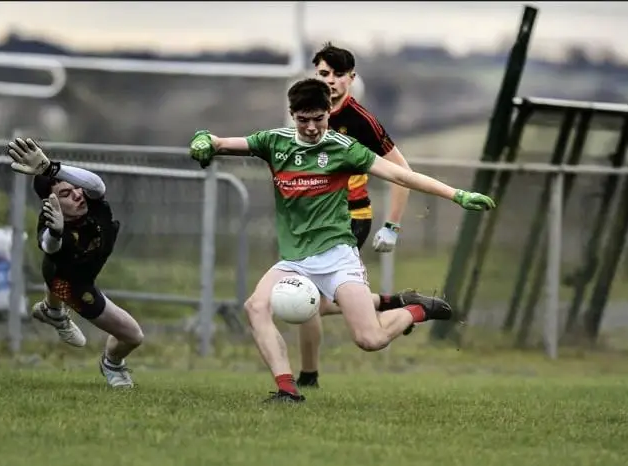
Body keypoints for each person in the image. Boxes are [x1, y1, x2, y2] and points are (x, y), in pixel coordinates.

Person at [188, 78, 495, 402]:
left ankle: (416, 309)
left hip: (337, 256)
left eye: (318, 119)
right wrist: (202, 141)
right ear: (292, 115)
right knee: (256, 307)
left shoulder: (342, 148)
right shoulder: (273, 142)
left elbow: (401, 175)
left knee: (370, 339)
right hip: (294, 260)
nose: (310, 127)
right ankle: (287, 390)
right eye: (302, 119)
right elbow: (218, 142)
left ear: (328, 114)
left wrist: (457, 194)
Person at [295, 42, 414, 389]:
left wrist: (392, 226)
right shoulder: (306, 112)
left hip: (349, 219)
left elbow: (402, 173)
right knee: (307, 301)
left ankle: (308, 376)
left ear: (351, 79)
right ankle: (387, 304)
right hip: (310, 221)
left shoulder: (361, 121)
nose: (330, 81)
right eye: (323, 74)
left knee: (304, 298)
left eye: (337, 75)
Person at [6, 137, 145, 388]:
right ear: (52, 202)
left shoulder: (90, 200)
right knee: (134, 335)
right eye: (66, 194)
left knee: (63, 278)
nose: (78, 195)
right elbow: (49, 245)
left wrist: (52, 169)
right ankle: (111, 363)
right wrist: (57, 231)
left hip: (77, 271)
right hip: (69, 284)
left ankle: (52, 312)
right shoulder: (51, 222)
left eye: (76, 188)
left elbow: (97, 185)